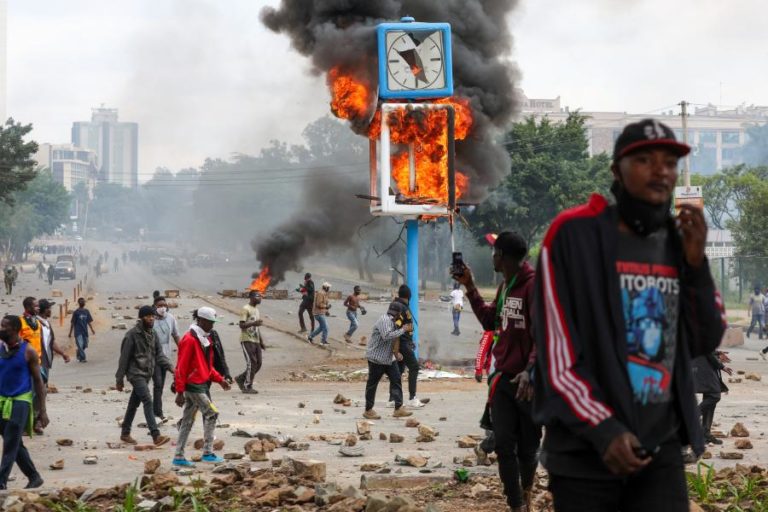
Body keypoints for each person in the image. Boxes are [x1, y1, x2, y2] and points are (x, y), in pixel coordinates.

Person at [532, 119, 725, 512]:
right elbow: (557, 355)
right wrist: (604, 428)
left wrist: (696, 266)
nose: (661, 171)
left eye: (669, 162)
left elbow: (704, 338)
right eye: (644, 160)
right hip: (585, 454)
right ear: (616, 171)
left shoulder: (676, 242)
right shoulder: (573, 234)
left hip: (660, 449)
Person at [454, 232, 539, 512]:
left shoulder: (533, 287)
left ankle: (526, 492)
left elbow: (543, 335)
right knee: (503, 446)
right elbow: (490, 321)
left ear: (501, 256)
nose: (492, 256)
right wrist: (470, 286)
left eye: (494, 252)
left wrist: (530, 370)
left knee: (528, 449)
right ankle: (516, 506)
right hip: (503, 380)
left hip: (529, 383)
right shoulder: (504, 287)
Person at [172, 306, 231, 468]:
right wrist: (179, 391)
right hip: (194, 386)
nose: (212, 325)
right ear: (201, 320)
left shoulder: (203, 338)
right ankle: (208, 453)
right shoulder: (189, 339)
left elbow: (206, 365)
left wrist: (220, 379)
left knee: (187, 420)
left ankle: (178, 456)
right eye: (210, 322)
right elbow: (181, 367)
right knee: (212, 413)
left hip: (199, 384)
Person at [0, 315, 47, 490]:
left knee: (11, 440)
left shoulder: (28, 351)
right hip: (2, 400)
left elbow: (39, 382)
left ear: (14, 329)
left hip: (21, 401)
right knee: (14, 442)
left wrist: (42, 411)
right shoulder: (0, 348)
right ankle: (34, 477)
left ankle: (1, 481)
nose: (0, 329)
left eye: (3, 326)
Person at [116, 306, 172, 447]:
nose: (151, 319)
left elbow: (159, 355)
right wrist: (119, 379)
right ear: (141, 318)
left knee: (133, 404)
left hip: (147, 374)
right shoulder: (132, 335)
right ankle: (156, 435)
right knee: (147, 399)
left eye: (152, 316)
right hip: (135, 374)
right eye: (148, 316)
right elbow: (124, 358)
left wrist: (172, 368)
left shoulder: (153, 334)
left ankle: (125, 433)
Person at [363, 300, 413, 420]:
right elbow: (387, 336)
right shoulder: (385, 320)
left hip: (389, 358)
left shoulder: (394, 322)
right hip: (377, 358)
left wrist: (396, 353)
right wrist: (403, 329)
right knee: (372, 384)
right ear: (398, 313)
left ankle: (398, 408)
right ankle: (368, 410)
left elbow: (395, 338)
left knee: (396, 379)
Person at [387, 285, 427, 408]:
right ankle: (412, 398)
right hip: (402, 342)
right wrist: (398, 348)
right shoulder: (402, 307)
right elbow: (397, 326)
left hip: (402, 342)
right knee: (414, 367)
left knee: (398, 371)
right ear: (409, 296)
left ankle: (393, 399)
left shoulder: (396, 305)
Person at [36, 299, 70, 434]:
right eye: (49, 308)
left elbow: (52, 342)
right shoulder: (35, 323)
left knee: (42, 391)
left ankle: (37, 420)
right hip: (37, 362)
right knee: (38, 391)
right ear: (44, 310)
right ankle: (35, 421)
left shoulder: (47, 324)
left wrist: (63, 353)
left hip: (45, 362)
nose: (51, 310)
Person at [692, 351, 732, 447]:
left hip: (703, 365)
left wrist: (717, 353)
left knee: (710, 396)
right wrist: (721, 366)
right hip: (703, 367)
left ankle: (705, 434)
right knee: (714, 396)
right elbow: (706, 349)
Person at [152, 296, 180, 422]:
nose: (162, 308)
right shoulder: (151, 319)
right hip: (153, 357)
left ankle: (156, 411)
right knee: (158, 384)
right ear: (155, 307)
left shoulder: (170, 318)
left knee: (161, 385)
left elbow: (175, 335)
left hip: (166, 357)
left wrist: (183, 349)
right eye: (159, 306)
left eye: (164, 305)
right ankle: (157, 413)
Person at [234, 291, 265, 394]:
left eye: (260, 296)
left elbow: (257, 327)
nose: (260, 298)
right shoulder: (246, 309)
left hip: (256, 340)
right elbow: (241, 325)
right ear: (251, 297)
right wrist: (254, 323)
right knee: (252, 362)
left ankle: (241, 378)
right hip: (247, 339)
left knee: (258, 363)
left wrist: (261, 341)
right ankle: (247, 386)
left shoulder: (256, 310)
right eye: (257, 296)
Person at [308, 282, 331, 346]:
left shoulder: (324, 293)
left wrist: (326, 311)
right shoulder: (321, 293)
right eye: (328, 287)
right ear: (325, 287)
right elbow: (319, 304)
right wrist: (326, 307)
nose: (329, 289)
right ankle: (323, 341)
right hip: (318, 313)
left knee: (321, 328)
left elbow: (324, 303)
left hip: (321, 313)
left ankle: (310, 337)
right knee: (326, 328)